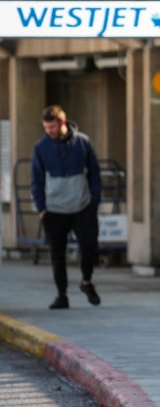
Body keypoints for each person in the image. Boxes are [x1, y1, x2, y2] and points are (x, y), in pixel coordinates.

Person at [31, 105, 102, 310]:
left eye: (52, 127)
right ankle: (62, 295)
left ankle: (86, 282)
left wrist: (94, 200)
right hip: (54, 210)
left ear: (62, 123)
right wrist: (41, 208)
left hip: (83, 206)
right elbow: (36, 179)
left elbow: (94, 172)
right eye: (46, 127)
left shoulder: (82, 142)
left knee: (89, 247)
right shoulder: (41, 147)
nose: (49, 131)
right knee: (57, 254)